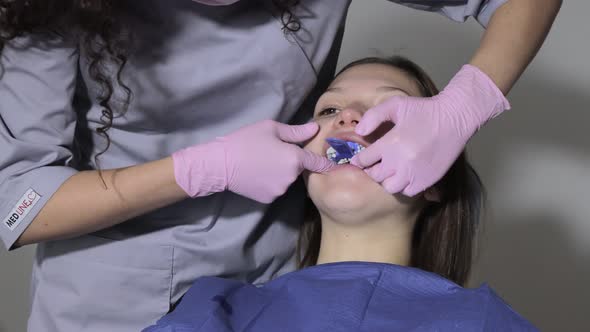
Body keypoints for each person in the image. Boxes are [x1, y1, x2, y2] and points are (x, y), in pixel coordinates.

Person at [0, 0, 560, 331]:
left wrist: (468, 103)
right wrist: (198, 169)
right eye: (329, 107)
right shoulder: (49, 12)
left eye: (379, 113)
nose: (348, 123)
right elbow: (15, 208)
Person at [144, 56, 538, 331]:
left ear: (433, 179)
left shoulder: (486, 322)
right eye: (329, 110)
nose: (348, 115)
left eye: (385, 112)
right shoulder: (215, 310)